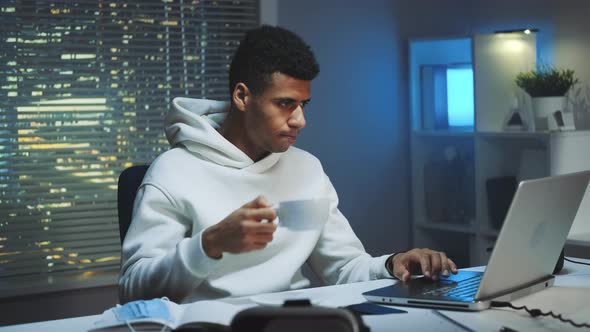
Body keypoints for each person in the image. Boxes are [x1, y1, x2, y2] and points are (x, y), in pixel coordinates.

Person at [119, 25, 457, 304]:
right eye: (285, 104)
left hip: (295, 321)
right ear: (242, 96)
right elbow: (134, 289)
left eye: (304, 105)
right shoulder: (174, 171)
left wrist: (392, 263)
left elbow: (343, 268)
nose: (300, 120)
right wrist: (210, 244)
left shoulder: (306, 169)